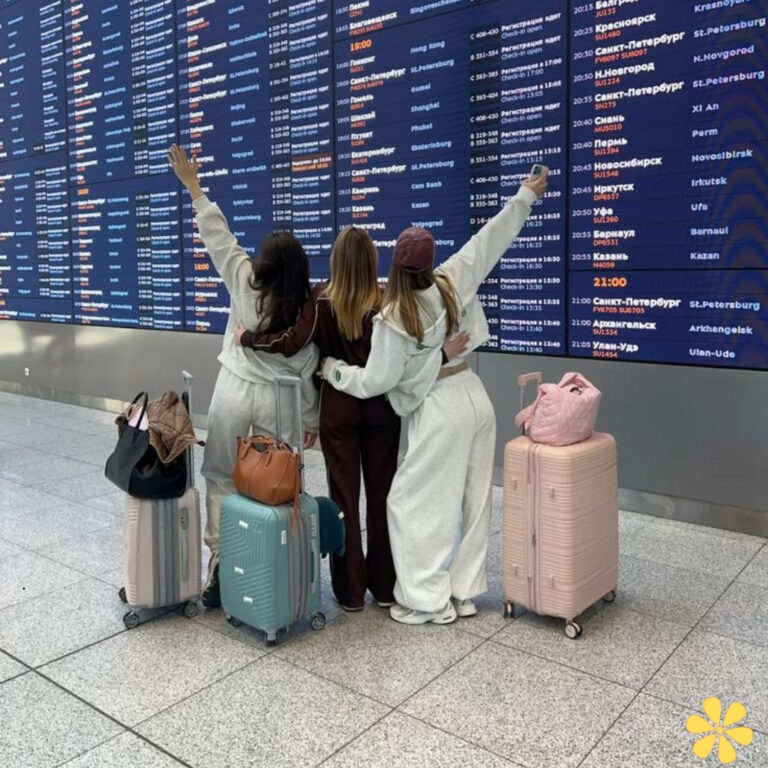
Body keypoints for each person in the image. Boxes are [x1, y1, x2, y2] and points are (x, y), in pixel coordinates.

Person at [319, 169, 549, 624]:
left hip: (440, 407)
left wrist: (334, 370)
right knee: (474, 501)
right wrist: (524, 195)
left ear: (395, 267)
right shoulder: (452, 280)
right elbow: (491, 239)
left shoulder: (393, 316)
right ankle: (465, 592)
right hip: (476, 398)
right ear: (431, 261)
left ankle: (427, 600)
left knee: (414, 503)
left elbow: (374, 382)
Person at [233, 226, 468, 611]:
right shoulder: (388, 301)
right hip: (381, 409)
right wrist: (442, 354)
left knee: (344, 496)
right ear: (373, 260)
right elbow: (411, 361)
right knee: (381, 496)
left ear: (336, 260)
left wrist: (247, 338)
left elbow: (291, 343)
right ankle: (385, 587)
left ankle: (350, 591)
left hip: (338, 408)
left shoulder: (322, 299)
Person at [168, 144, 320, 607]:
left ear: (265, 263)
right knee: (276, 481)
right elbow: (308, 366)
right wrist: (310, 419)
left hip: (234, 390)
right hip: (280, 399)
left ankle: (222, 562)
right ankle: (271, 564)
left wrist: (194, 186)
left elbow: (219, 237)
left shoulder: (243, 282)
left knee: (220, 475)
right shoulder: (306, 308)